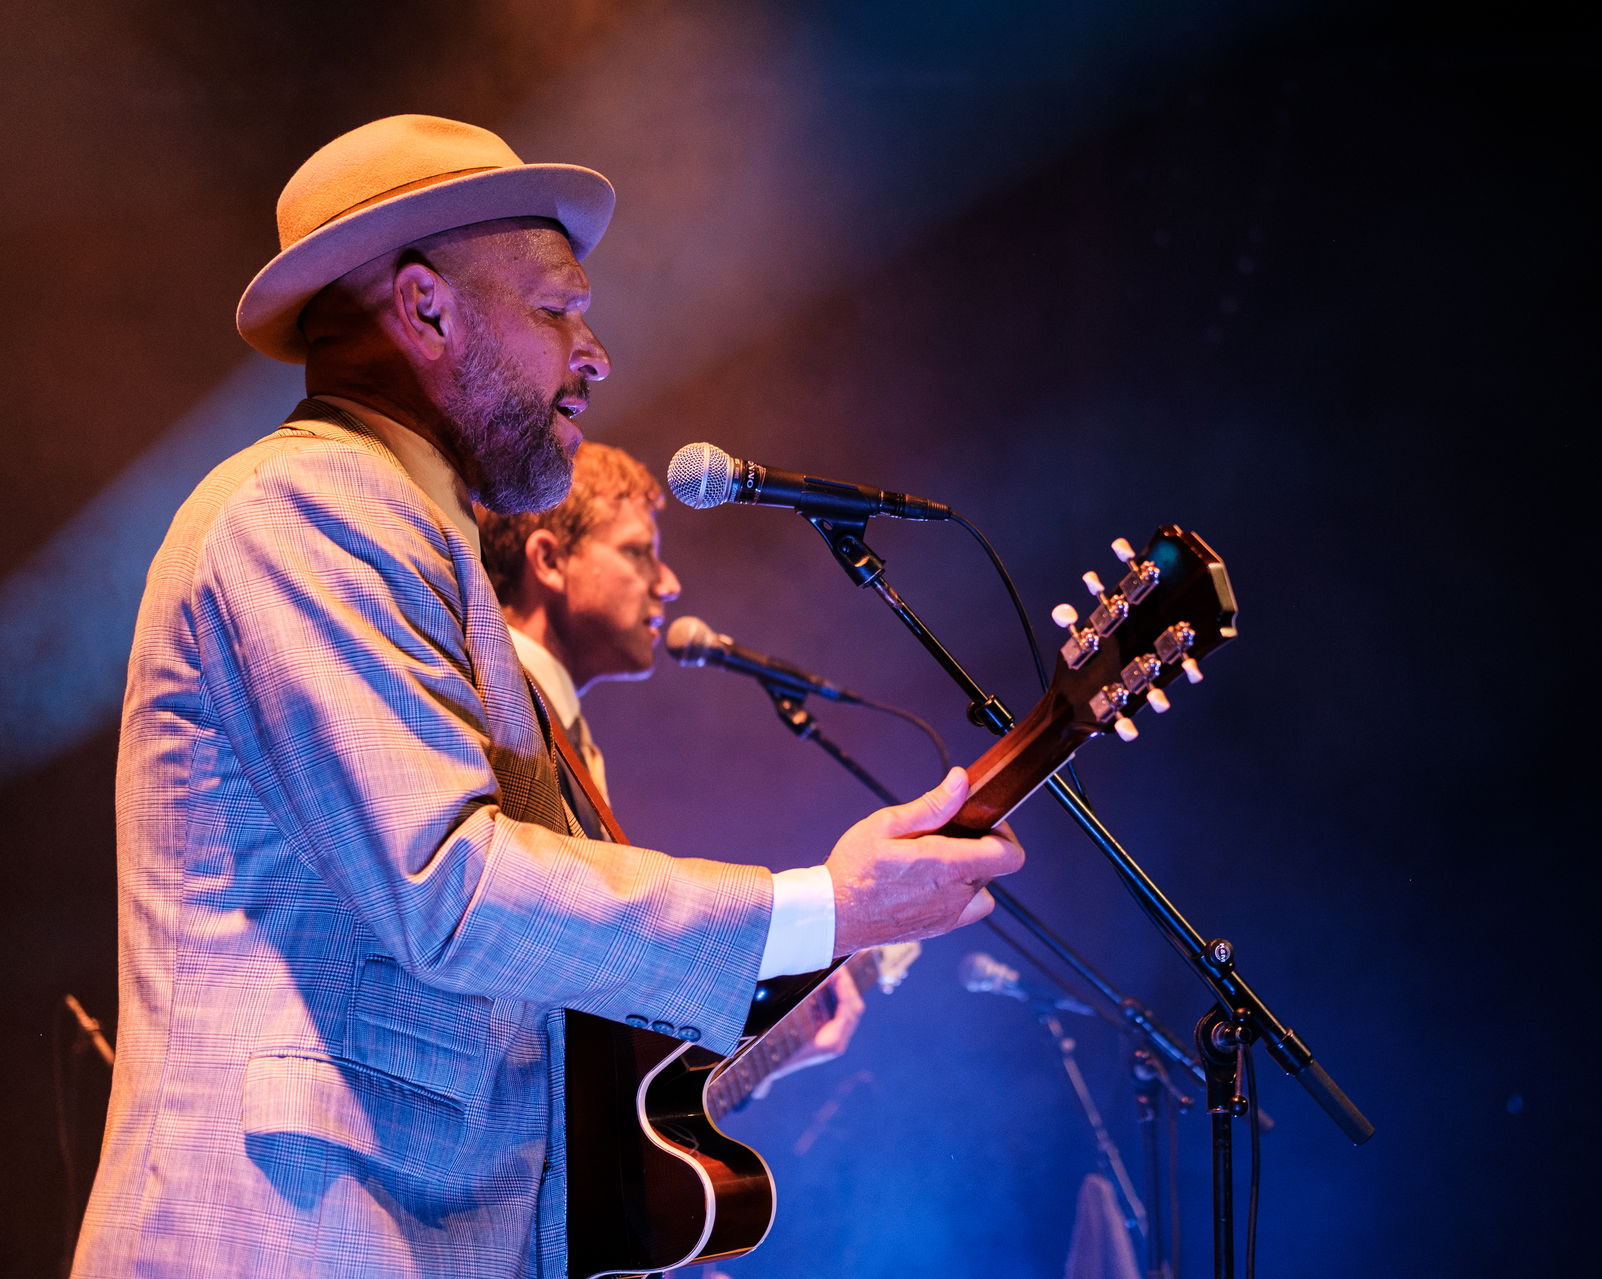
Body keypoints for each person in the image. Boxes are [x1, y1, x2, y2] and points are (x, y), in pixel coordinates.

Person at [72, 114, 1019, 1278]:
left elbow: (524, 1004)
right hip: (289, 1234)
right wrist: (818, 909)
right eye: (558, 309)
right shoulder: (309, 507)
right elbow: (454, 890)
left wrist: (797, 966)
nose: (598, 353)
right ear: (426, 310)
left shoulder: (422, 544)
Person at [474, 442, 864, 1084]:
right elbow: (519, 923)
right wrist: (822, 909)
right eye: (637, 552)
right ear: (548, 559)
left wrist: (763, 1055)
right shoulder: (489, 697)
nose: (669, 582)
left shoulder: (569, 735)